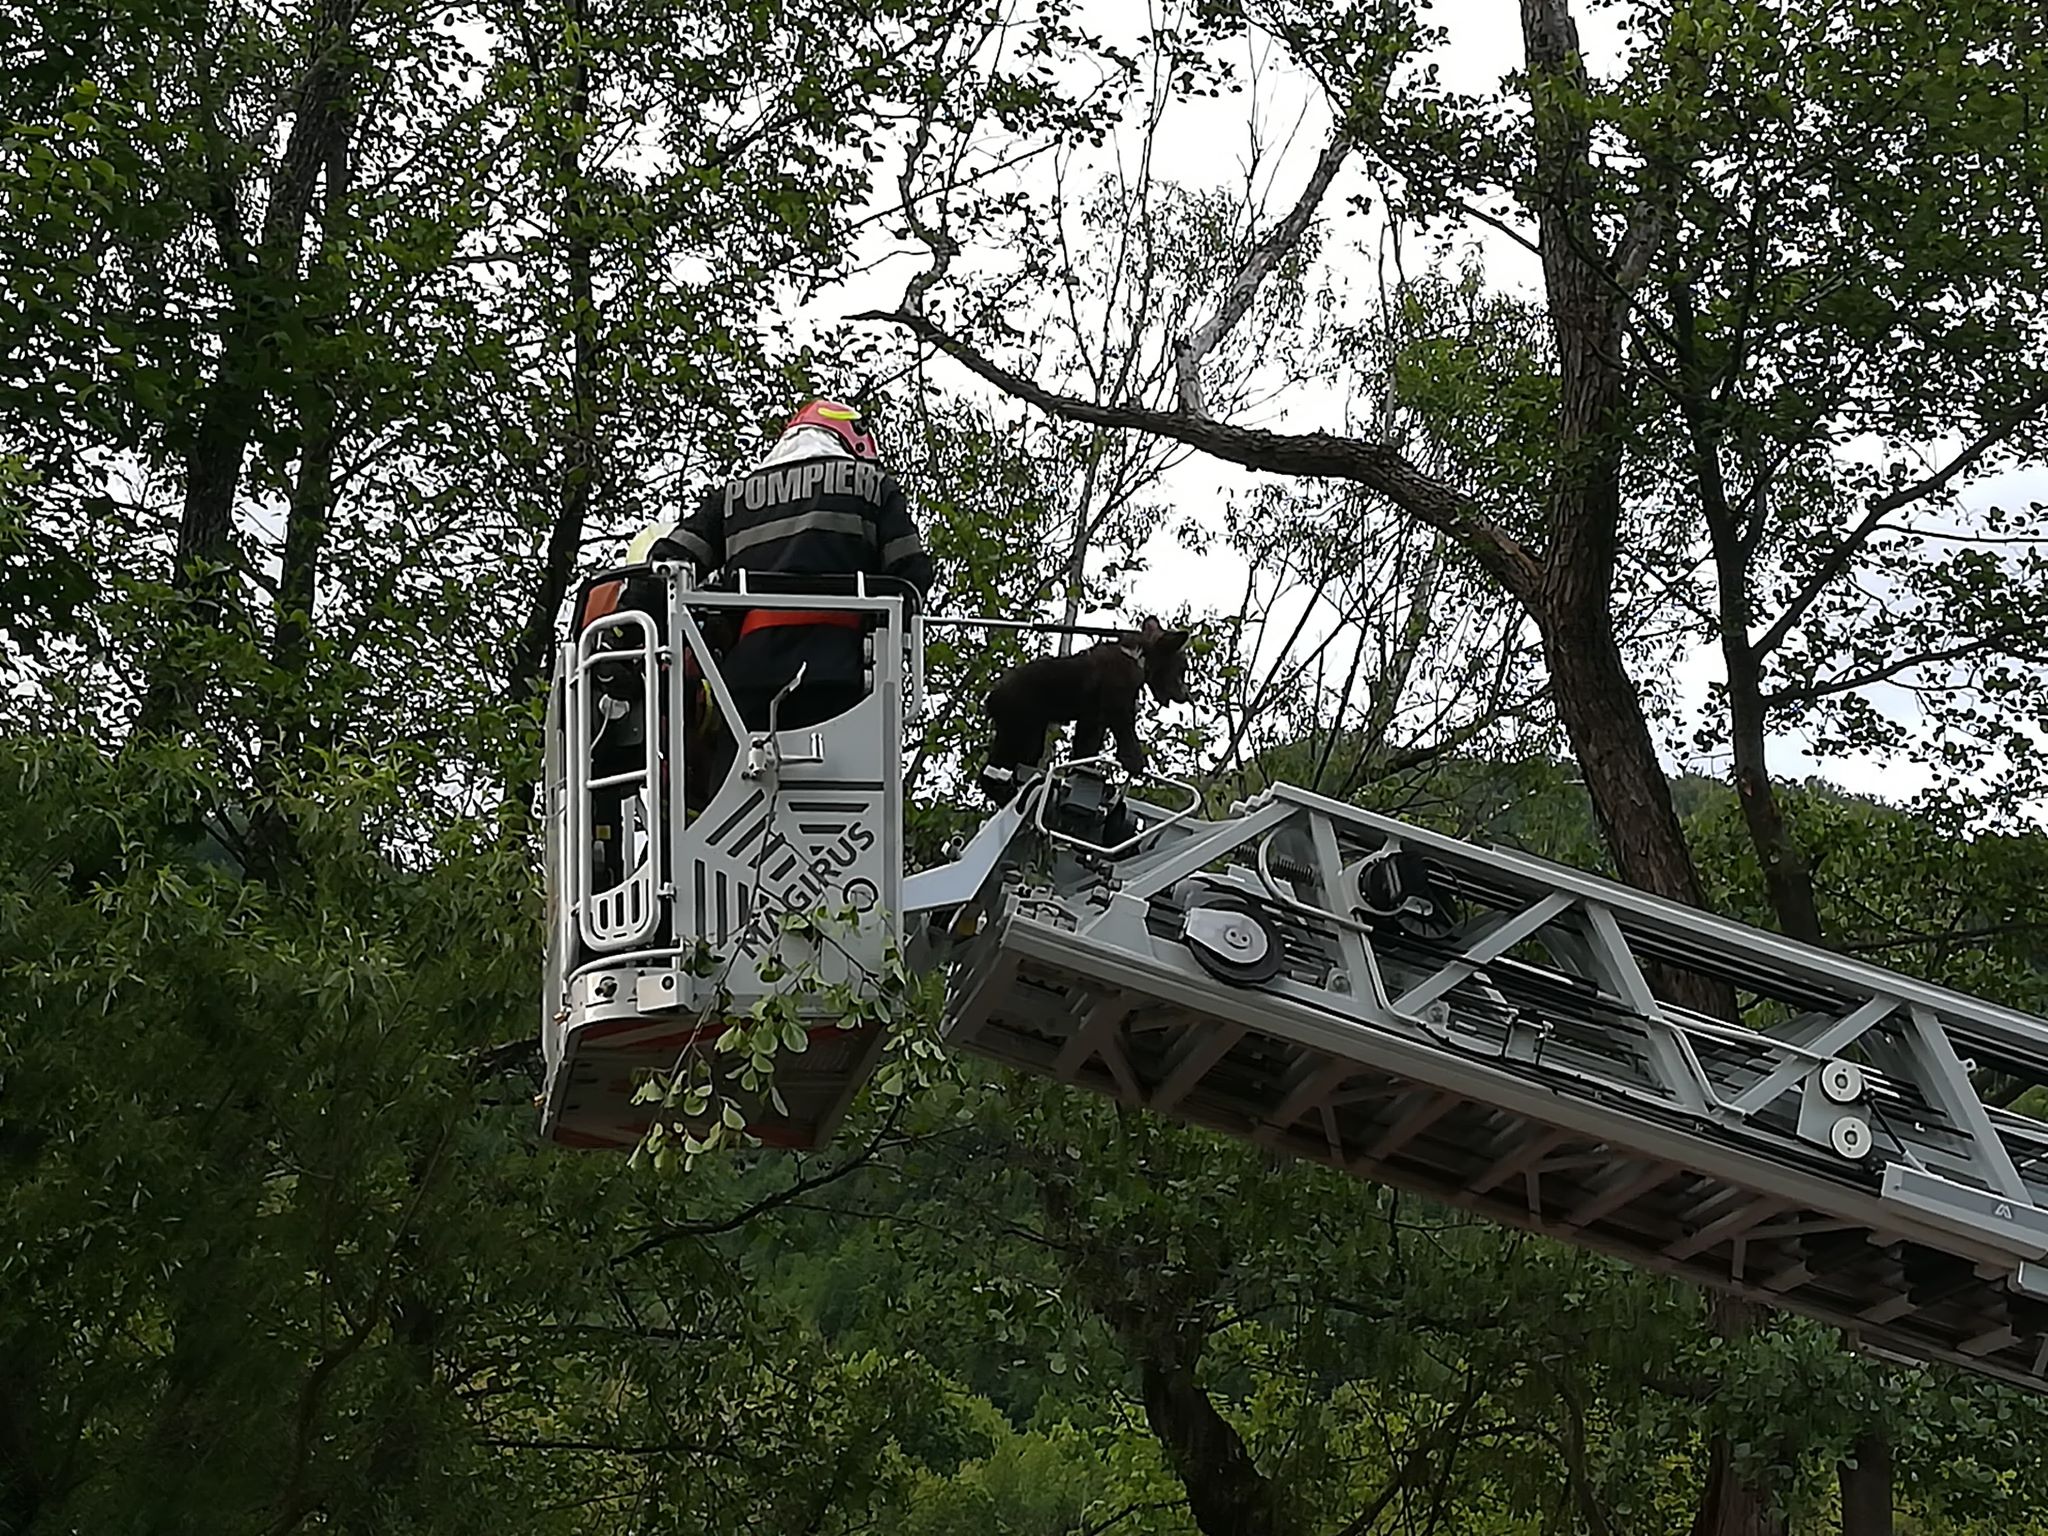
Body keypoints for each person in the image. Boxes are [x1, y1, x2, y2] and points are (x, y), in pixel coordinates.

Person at [640, 398, 934, 735]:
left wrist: (622, 643)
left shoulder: (733, 497)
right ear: (855, 443)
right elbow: (910, 576)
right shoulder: (874, 485)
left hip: (747, 684)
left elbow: (667, 564)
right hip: (841, 678)